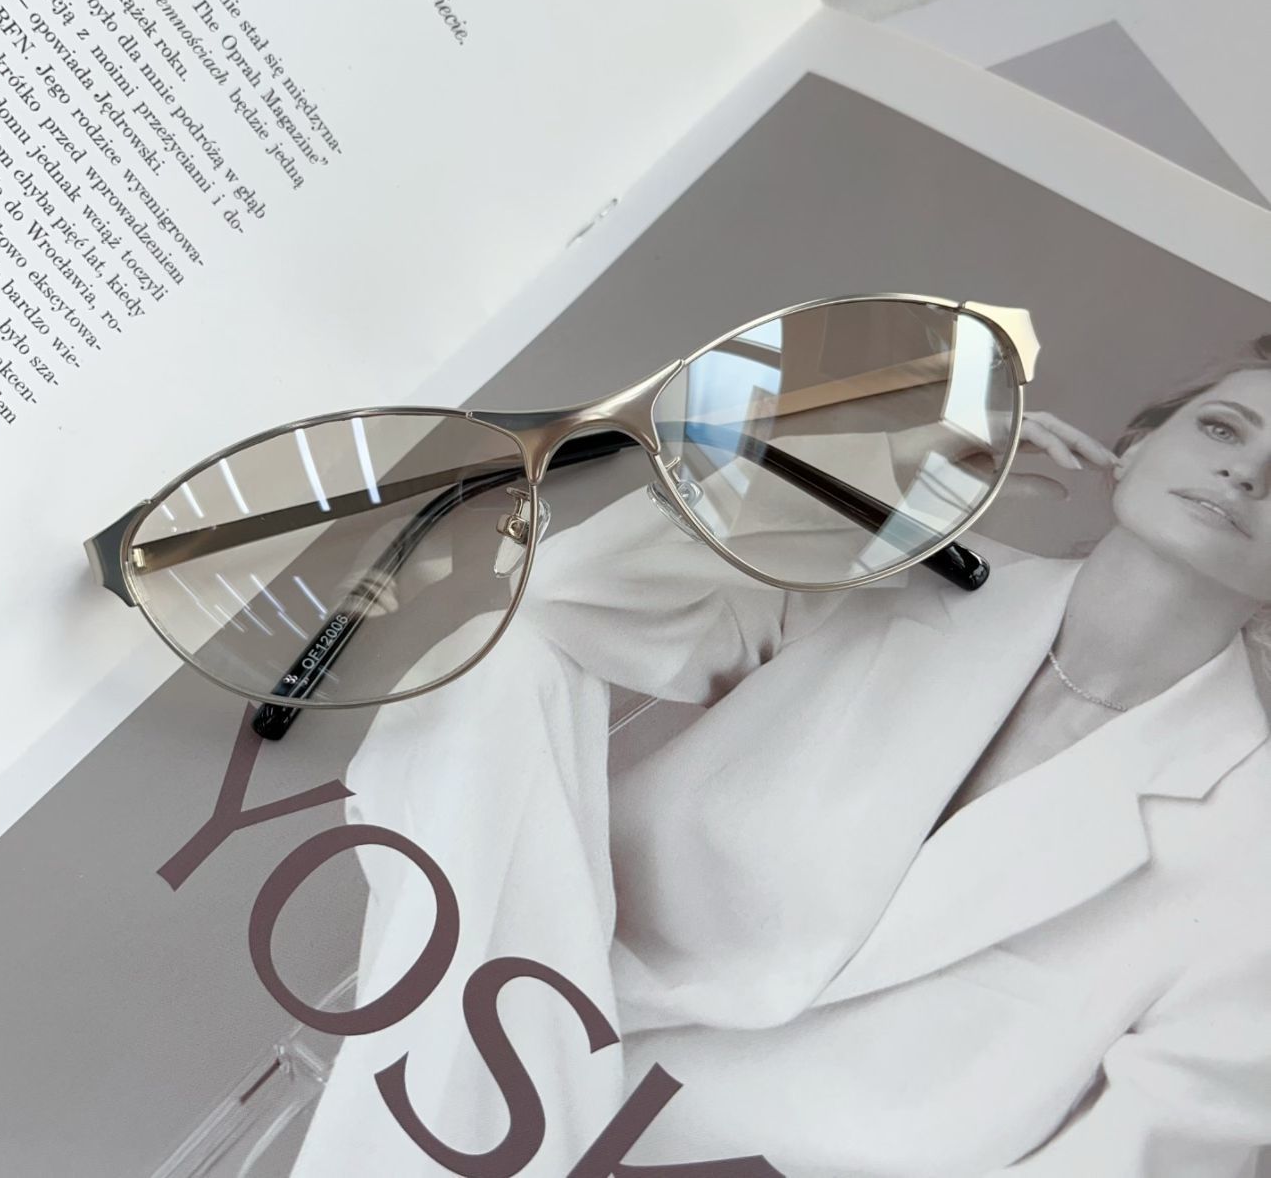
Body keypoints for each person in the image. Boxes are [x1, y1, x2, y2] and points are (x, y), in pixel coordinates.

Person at [291, 344, 1271, 1178]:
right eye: (1224, 428)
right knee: (498, 662)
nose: (1246, 475)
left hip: (759, 1153)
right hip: (548, 1028)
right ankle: (499, 1101)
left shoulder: (1252, 843)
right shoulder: (911, 571)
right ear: (1135, 446)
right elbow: (567, 597)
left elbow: (1157, 1144)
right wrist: (882, 476)